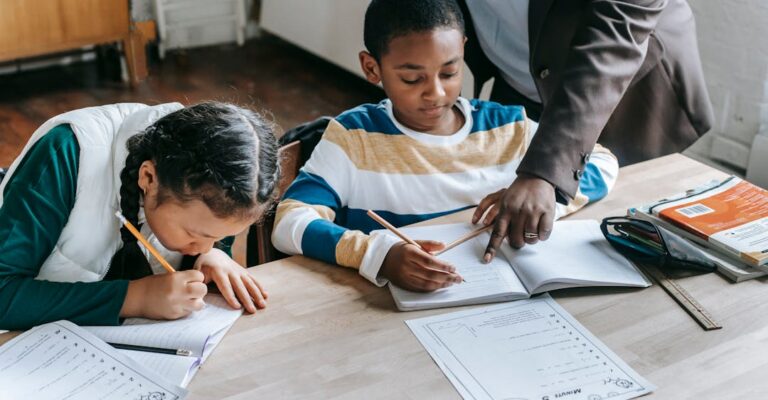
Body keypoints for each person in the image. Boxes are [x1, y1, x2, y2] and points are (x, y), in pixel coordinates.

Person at [271, 0, 619, 292]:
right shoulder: (353, 138)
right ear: (372, 68)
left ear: (463, 50)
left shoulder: (507, 125)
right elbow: (290, 223)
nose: (436, 93)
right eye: (412, 78)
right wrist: (377, 254)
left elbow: (603, 163)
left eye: (450, 72)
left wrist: (540, 199)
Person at [455, 0, 715, 260]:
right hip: (515, 80)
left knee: (626, 243)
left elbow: (613, 42)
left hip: (625, 95)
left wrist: (544, 172)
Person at [0, 101, 280, 330]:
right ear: (148, 177)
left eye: (222, 237)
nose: (206, 245)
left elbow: (208, 238)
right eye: (196, 236)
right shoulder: (65, 153)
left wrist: (212, 257)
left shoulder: (212, 182)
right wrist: (134, 298)